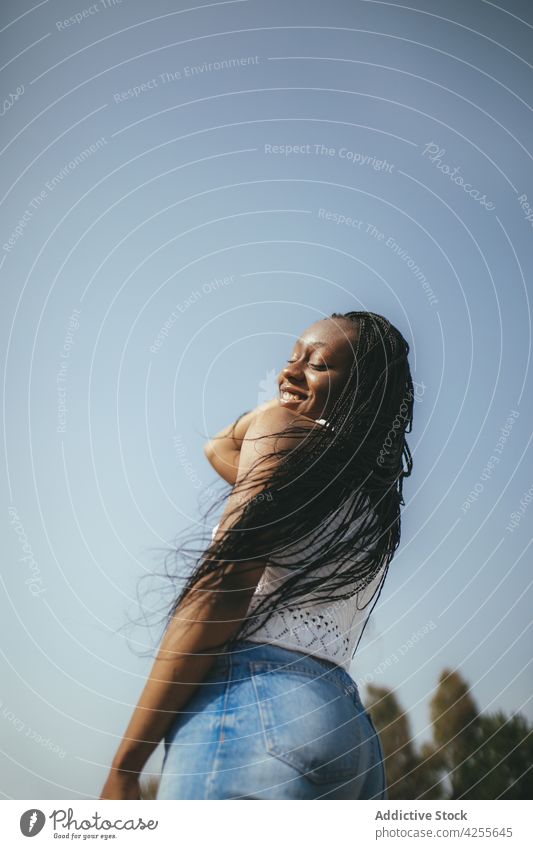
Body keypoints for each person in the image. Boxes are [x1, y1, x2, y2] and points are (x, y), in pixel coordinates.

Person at [99, 310, 414, 800]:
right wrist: (295, 390)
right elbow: (221, 449)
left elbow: (224, 584)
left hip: (254, 709)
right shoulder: (373, 503)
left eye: (319, 365)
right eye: (291, 359)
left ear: (360, 394)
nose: (289, 371)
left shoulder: (283, 432)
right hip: (350, 736)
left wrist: (125, 765)